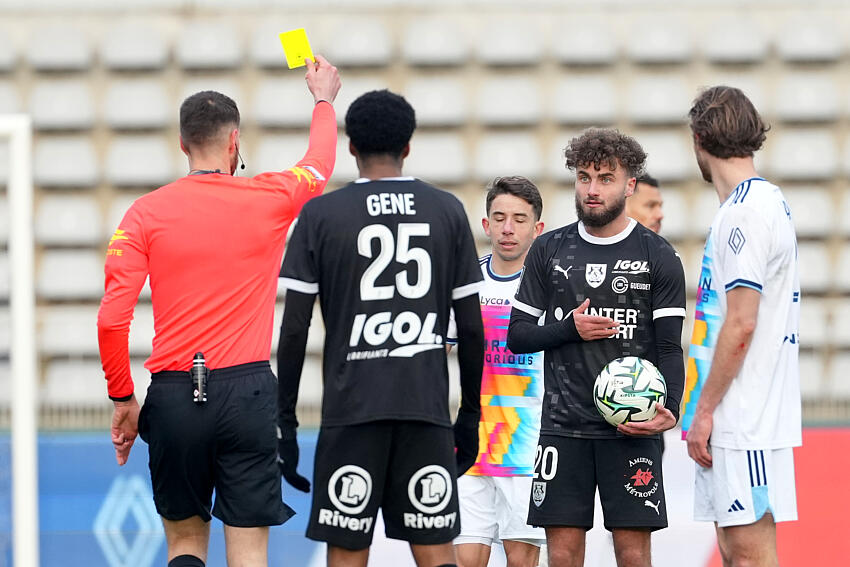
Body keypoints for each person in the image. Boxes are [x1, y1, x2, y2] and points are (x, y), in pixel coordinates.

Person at [97, 56, 341, 567]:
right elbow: (318, 165)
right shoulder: (268, 196)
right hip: (247, 393)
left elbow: (112, 318)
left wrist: (123, 398)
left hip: (172, 394)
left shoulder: (145, 212)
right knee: (249, 549)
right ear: (234, 143)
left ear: (183, 144)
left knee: (184, 544)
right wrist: (322, 99)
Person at [276, 89, 485, 567]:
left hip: (352, 412)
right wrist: (469, 414)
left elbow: (293, 332)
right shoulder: (446, 210)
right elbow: (472, 330)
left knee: (348, 553)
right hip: (423, 409)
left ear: (351, 146)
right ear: (408, 146)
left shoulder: (321, 215)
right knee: (437, 554)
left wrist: (284, 420)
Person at [506, 128, 686, 567]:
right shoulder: (548, 249)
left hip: (631, 429)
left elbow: (668, 349)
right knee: (563, 556)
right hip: (563, 428)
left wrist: (671, 408)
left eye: (605, 178)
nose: (592, 189)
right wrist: (570, 328)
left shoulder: (658, 255)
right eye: (584, 177)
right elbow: (519, 336)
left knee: (632, 555)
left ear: (629, 185)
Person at [682, 86, 801, 567]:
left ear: (699, 138)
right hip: (740, 414)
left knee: (750, 556)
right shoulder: (754, 204)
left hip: (743, 417)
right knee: (735, 554)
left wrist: (705, 410)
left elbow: (742, 323)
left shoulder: (746, 215)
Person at [446, 177, 546, 567]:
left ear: (537, 229)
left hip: (527, 452)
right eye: (500, 218)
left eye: (520, 219)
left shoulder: (549, 289)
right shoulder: (463, 284)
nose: (508, 228)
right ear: (485, 225)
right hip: (470, 449)